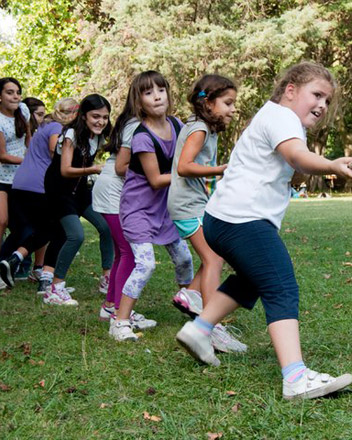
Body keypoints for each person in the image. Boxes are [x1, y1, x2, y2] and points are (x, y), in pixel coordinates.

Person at [175, 62, 352, 400]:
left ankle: (199, 330)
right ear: (290, 90)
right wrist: (329, 164)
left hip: (222, 219)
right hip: (242, 220)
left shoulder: (277, 118)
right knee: (281, 286)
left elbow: (294, 168)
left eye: (327, 100)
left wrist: (308, 166)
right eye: (316, 95)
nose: (322, 105)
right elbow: (298, 157)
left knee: (253, 278)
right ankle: (296, 378)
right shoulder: (282, 118)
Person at [108, 71, 195, 341]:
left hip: (166, 208)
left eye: (160, 90)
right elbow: (156, 180)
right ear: (139, 101)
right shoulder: (141, 136)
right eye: (148, 92)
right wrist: (195, 172)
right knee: (145, 265)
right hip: (138, 210)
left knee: (184, 259)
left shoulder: (177, 125)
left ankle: (194, 312)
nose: (156, 96)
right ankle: (120, 322)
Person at [168, 74, 246, 353]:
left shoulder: (206, 128)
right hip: (187, 204)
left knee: (217, 253)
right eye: (228, 103)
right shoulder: (199, 128)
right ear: (209, 103)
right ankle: (211, 327)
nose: (233, 109)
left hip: (196, 201)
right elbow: (184, 167)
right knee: (214, 259)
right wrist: (220, 169)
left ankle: (190, 294)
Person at [0, 98, 79, 292]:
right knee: (59, 230)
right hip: (39, 184)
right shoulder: (57, 128)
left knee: (44, 229)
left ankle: (16, 259)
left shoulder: (45, 125)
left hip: (22, 183)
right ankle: (44, 278)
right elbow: (53, 150)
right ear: (73, 114)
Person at [41, 94, 114, 305]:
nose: (101, 121)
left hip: (80, 191)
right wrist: (93, 169)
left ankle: (107, 279)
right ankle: (55, 289)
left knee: (107, 227)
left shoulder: (98, 135)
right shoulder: (71, 134)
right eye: (95, 116)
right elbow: (65, 170)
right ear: (83, 116)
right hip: (59, 191)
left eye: (105, 117)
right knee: (75, 235)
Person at [92, 72, 143, 323]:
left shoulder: (134, 122)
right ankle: (120, 311)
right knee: (129, 252)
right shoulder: (135, 124)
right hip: (113, 189)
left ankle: (110, 306)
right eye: (148, 92)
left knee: (122, 253)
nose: (157, 98)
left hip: (114, 189)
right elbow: (123, 167)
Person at [0, 78, 31, 291]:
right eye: (10, 92)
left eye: (18, 92)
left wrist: (33, 157)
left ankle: (12, 264)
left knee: (25, 225)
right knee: (1, 221)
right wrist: (30, 161)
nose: (15, 96)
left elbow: (28, 139)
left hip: (19, 177)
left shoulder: (24, 110)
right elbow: (2, 156)